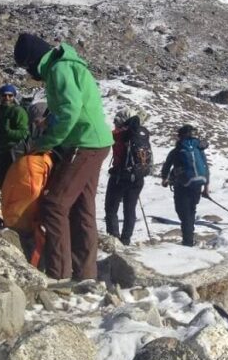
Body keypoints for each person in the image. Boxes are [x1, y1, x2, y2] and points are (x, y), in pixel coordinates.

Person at [13, 33, 113, 281]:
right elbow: (72, 107)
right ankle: (85, 274)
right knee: (81, 208)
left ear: (34, 61)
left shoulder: (59, 69)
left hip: (83, 143)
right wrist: (49, 121)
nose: (30, 74)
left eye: (27, 67)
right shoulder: (68, 65)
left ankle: (59, 276)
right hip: (96, 142)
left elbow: (70, 109)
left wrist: (45, 143)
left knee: (55, 204)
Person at [106, 110, 151, 245]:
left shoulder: (119, 134)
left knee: (111, 208)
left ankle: (113, 238)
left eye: (116, 121)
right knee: (129, 209)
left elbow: (107, 138)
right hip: (138, 177)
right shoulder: (142, 133)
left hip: (121, 176)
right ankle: (126, 240)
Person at [161, 124, 209, 246]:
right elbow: (205, 167)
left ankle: (188, 241)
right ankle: (189, 237)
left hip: (183, 184)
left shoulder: (177, 150)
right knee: (191, 209)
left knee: (183, 211)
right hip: (198, 182)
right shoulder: (199, 149)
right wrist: (206, 187)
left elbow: (166, 166)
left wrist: (164, 180)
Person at [0, 84, 30, 187]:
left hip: (15, 150)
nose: (7, 98)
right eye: (4, 95)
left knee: (14, 182)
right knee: (2, 183)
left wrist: (8, 131)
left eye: (10, 95)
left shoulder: (18, 111)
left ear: (14, 96)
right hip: (1, 151)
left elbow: (24, 133)